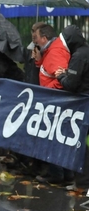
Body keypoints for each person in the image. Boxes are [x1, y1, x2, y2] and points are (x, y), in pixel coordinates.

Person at [32, 23, 73, 184]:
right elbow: (49, 71)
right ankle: (64, 174)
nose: (34, 41)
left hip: (55, 102)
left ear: (44, 38)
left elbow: (61, 80)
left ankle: (57, 175)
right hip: (54, 102)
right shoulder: (51, 51)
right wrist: (38, 61)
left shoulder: (55, 52)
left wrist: (47, 91)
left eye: (36, 38)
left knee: (53, 139)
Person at [55, 25, 89, 195]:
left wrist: (61, 76)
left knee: (81, 145)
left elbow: (72, 85)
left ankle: (82, 184)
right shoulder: (86, 52)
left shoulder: (79, 56)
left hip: (83, 108)